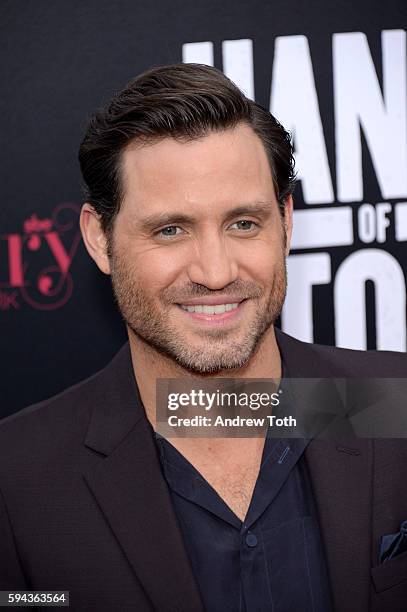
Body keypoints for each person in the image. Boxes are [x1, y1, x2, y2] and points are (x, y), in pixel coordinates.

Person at [0, 64, 406, 612]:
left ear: (286, 223)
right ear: (99, 239)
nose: (215, 272)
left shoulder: (391, 403)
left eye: (243, 223)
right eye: (170, 229)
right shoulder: (18, 478)